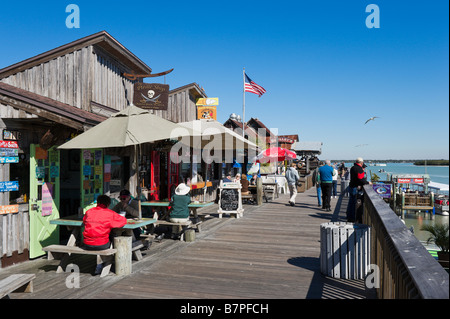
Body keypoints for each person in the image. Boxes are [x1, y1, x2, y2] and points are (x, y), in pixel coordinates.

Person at [347, 157, 371, 222]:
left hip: (351, 186)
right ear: (361, 163)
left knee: (351, 203)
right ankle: (354, 218)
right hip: (355, 187)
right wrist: (368, 182)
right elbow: (360, 179)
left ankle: (349, 216)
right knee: (355, 203)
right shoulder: (359, 169)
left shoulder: (353, 167)